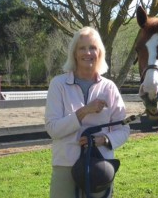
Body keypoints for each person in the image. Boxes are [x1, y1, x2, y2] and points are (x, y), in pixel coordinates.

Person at [45, 26, 130, 198]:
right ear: (74, 53)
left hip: (100, 166)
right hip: (66, 166)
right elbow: (53, 129)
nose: (88, 53)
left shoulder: (109, 87)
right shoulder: (58, 84)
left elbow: (124, 128)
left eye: (92, 47)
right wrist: (83, 111)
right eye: (82, 48)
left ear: (100, 53)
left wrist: (105, 140)